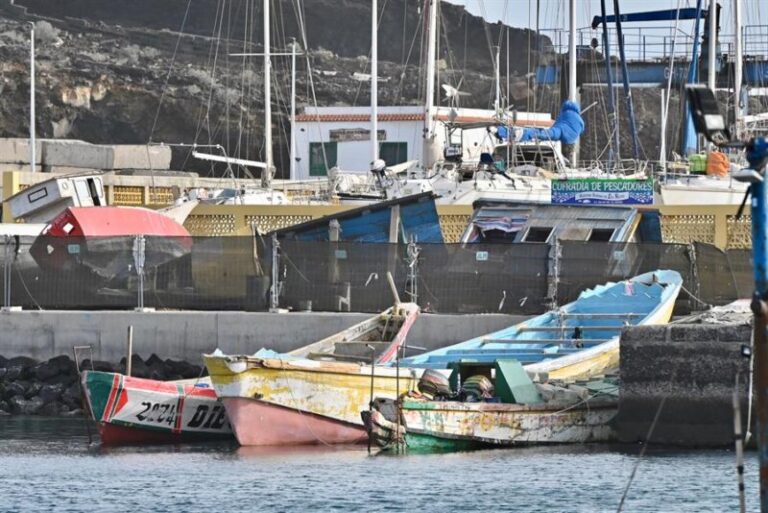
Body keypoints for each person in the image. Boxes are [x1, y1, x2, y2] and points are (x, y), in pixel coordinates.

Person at [517, 100, 585, 164]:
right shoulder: (579, 119)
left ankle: (527, 134)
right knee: (550, 135)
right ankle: (567, 160)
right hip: (570, 139)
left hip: (560, 132)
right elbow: (582, 129)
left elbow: (558, 124)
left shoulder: (564, 114)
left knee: (546, 134)